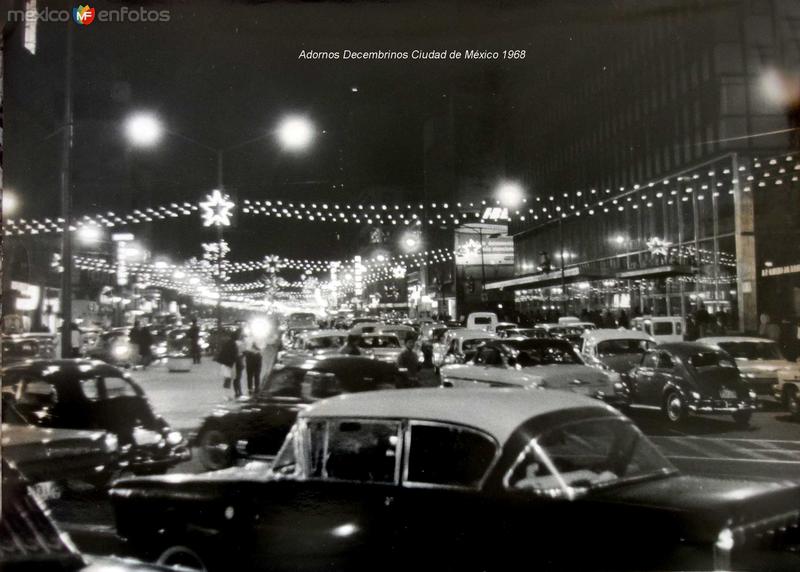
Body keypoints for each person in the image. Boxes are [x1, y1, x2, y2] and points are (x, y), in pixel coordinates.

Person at [215, 329, 240, 398]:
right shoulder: (233, 344)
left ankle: (226, 394)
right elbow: (234, 354)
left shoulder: (228, 343)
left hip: (226, 363)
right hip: (228, 364)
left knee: (227, 379)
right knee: (228, 379)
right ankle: (226, 395)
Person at [260, 316, 282, 388]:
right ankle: (264, 383)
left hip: (272, 351)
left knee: (268, 368)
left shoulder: (275, 332)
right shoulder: (274, 332)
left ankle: (265, 383)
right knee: (268, 368)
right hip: (270, 350)